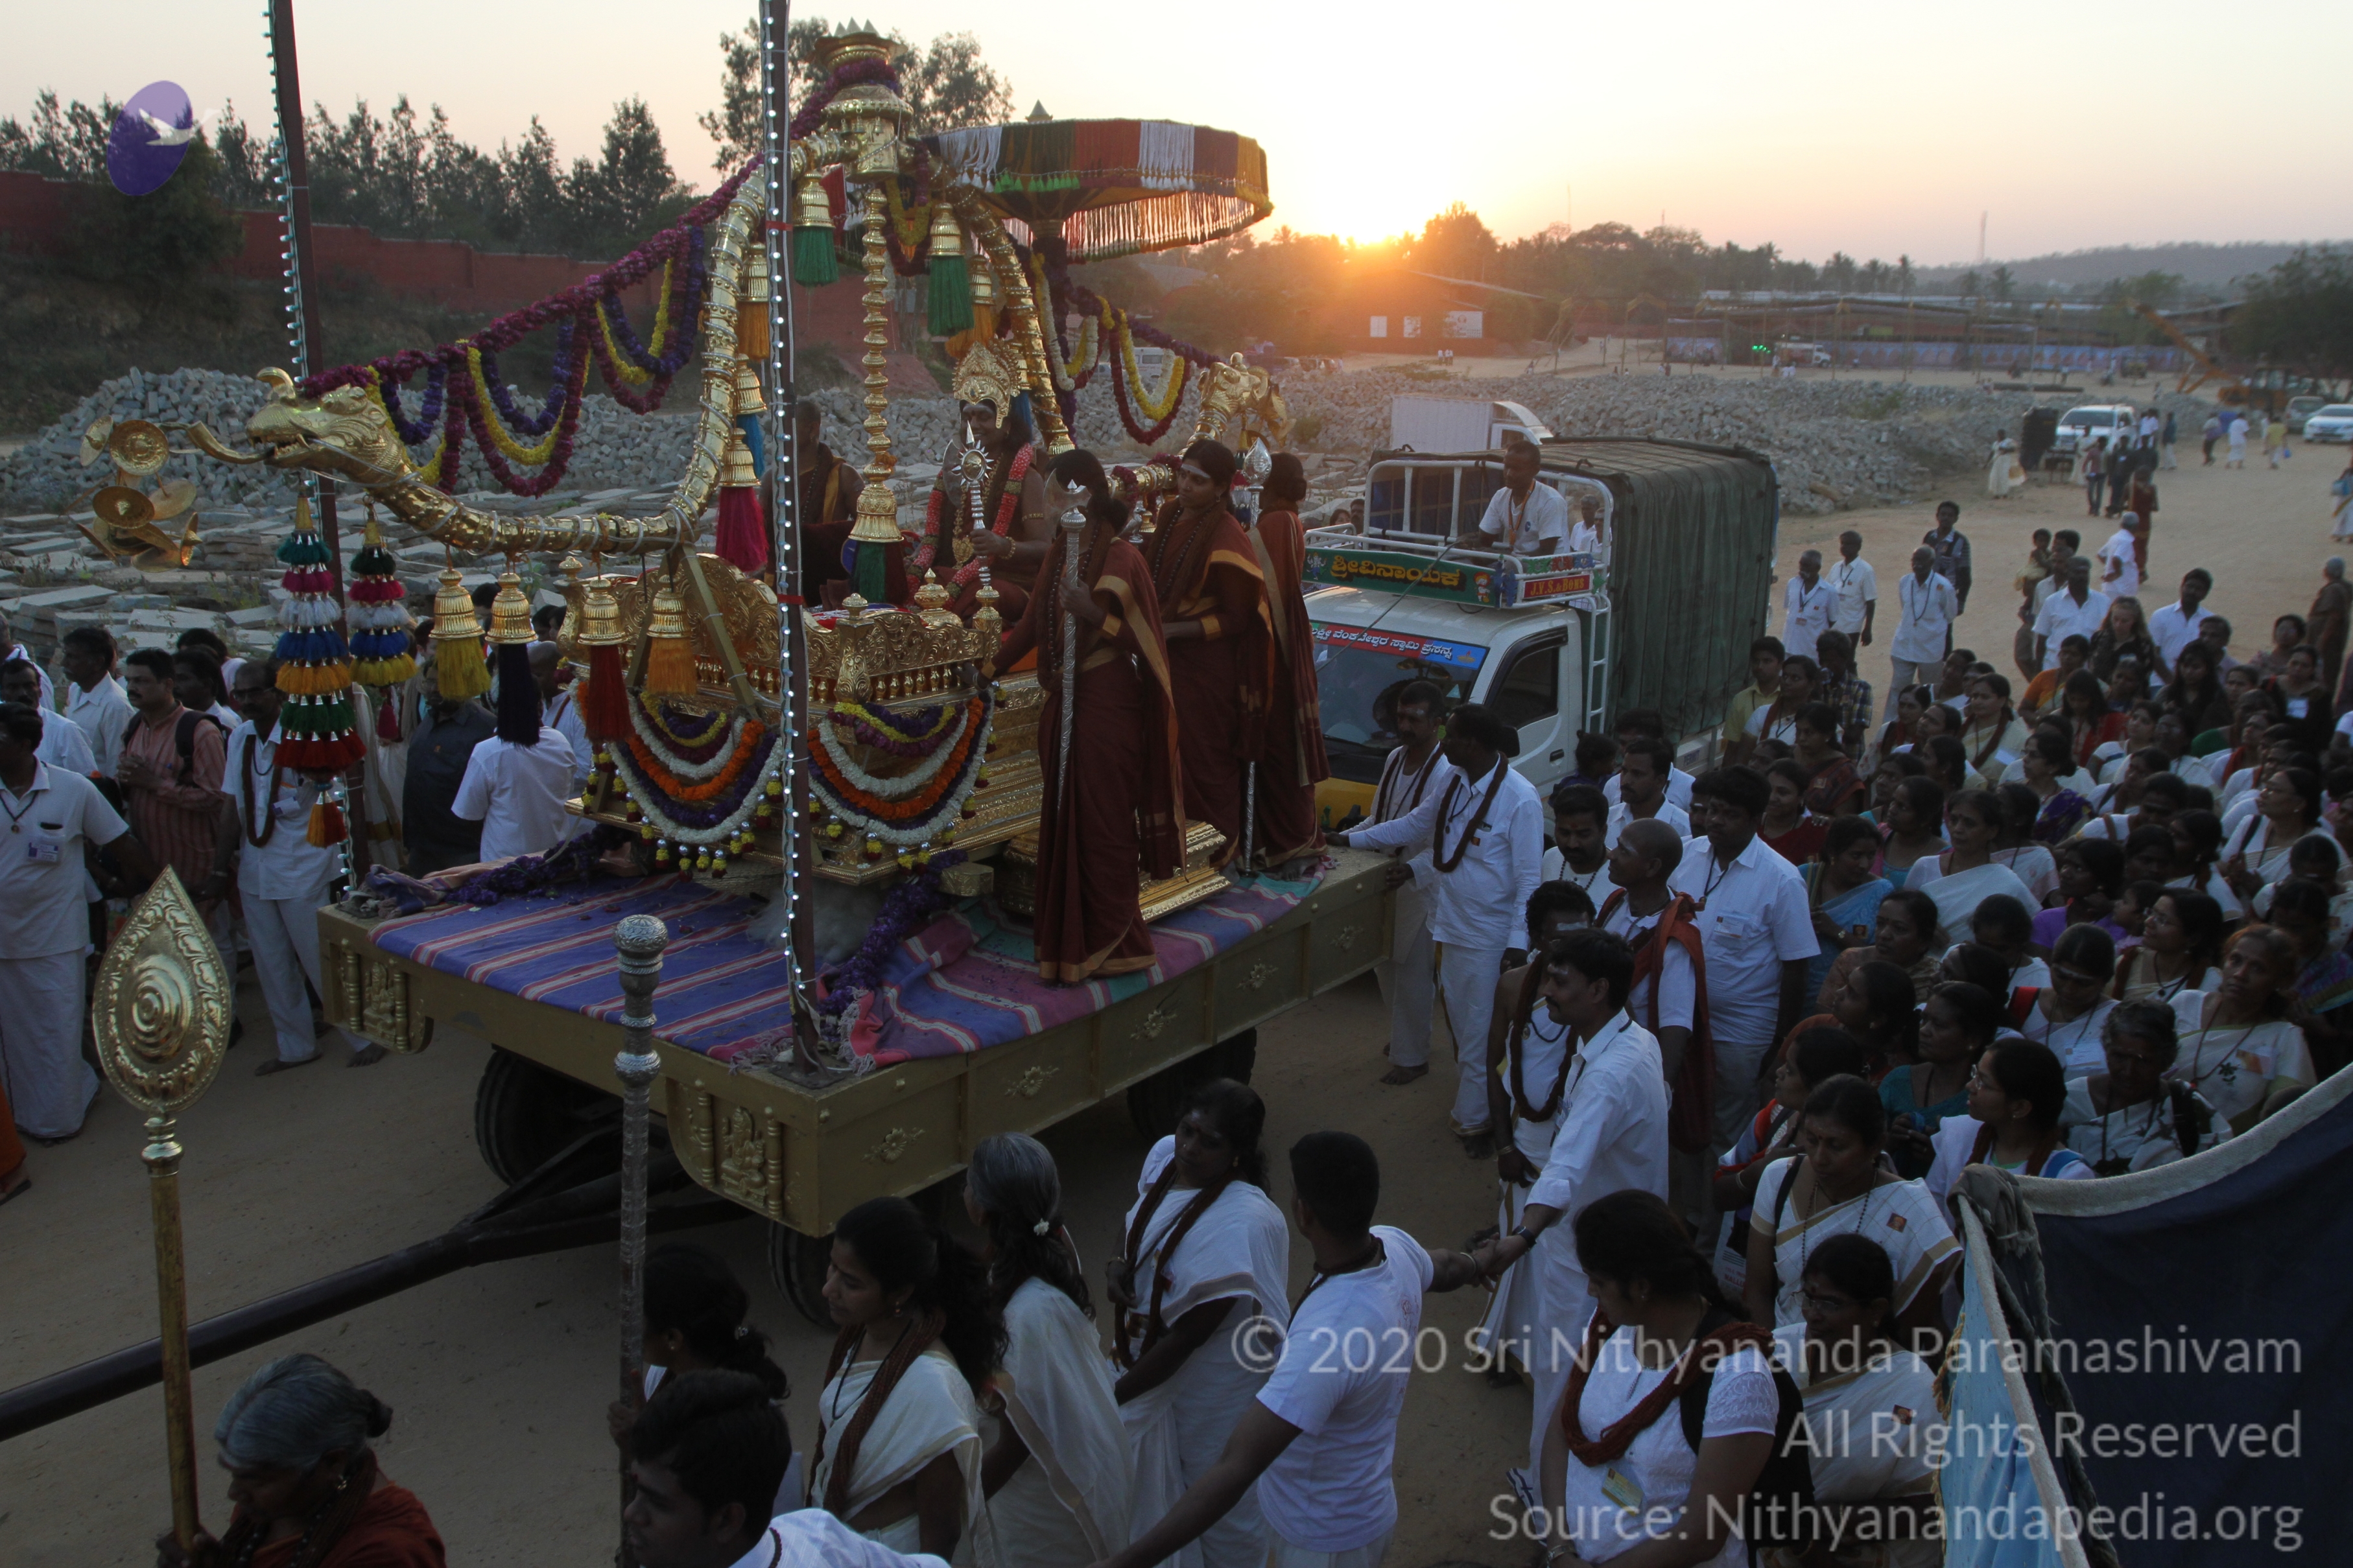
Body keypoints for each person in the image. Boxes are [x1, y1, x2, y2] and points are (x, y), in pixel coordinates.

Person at [1103, 1133, 1480, 1568]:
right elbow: (1447, 1266)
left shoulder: (1326, 1339)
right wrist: (1485, 1260)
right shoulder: (1391, 1247)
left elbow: (1236, 1467)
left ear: (1303, 1212)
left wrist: (1124, 1562)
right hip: (1365, 1514)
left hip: (1320, 1543)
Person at [1471, 930, 1672, 1468]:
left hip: (1589, 1256)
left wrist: (1521, 1237)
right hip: (1613, 1244)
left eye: (1559, 982)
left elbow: (1564, 1169)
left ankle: (1549, 1498)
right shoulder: (1634, 1040)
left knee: (1562, 1377)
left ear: (1598, 990)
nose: (1546, 993)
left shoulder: (1609, 1074)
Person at [997, 452, 1185, 982]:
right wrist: (987, 669)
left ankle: (1117, 942)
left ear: (1083, 496)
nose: (1051, 508)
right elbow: (1032, 623)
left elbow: (1146, 643)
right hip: (1064, 700)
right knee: (1066, 823)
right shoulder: (1062, 551)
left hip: (1107, 705)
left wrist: (1092, 613)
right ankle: (1068, 944)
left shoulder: (1123, 558)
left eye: (1057, 496)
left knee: (1102, 824)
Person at [1533, 1190, 1792, 1568]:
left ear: (1642, 1287)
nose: (1590, 1291)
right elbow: (1562, 1432)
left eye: (1598, 1281)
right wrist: (1560, 1549)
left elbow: (1701, 1535)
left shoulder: (1739, 1380)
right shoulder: (1610, 1326)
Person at [1330, 705, 1544, 1149]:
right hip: (1448, 924)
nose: (1443, 743)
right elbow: (1414, 825)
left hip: (1488, 939)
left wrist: (1517, 944)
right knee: (1462, 1026)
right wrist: (1348, 839)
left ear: (1474, 744)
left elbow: (1529, 881)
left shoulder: (1520, 798)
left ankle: (1478, 1121)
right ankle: (1483, 1109)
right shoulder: (1454, 780)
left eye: (1452, 736)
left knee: (1480, 1031)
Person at [1107, 1082, 1291, 1568]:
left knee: (1219, 1502)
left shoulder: (1242, 1221)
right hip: (1144, 1362)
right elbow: (1137, 1218)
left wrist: (1111, 1399)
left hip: (1212, 1386)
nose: (1190, 1147)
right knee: (1150, 1493)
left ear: (1236, 1153)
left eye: (1210, 1142)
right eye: (1187, 1130)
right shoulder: (1165, 1158)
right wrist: (1117, 1264)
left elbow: (1188, 1337)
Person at [205, 660, 381, 1075]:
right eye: (240, 694)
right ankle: (296, 1046)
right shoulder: (241, 737)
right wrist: (218, 869)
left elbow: (343, 791)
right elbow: (232, 804)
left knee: (319, 957)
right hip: (256, 867)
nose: (247, 701)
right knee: (271, 963)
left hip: (304, 865)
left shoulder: (308, 731)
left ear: (279, 693)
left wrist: (358, 858)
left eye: (255, 692)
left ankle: (365, 1036)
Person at [965, 1134, 1133, 1568]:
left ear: (980, 1208)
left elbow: (1018, 1441)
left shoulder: (1029, 1316)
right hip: (1065, 1467)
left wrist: (958, 1506)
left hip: (1043, 1502)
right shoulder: (1052, 1242)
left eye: (968, 1184)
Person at [810, 1196, 1000, 1557]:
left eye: (851, 1282)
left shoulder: (932, 1388)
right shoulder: (859, 1335)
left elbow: (942, 1534)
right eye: (832, 1268)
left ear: (900, 1293)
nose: (828, 1289)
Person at [0, 703, 154, 1144]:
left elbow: (121, 841)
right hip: (3, 938)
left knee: (56, 1031)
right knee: (14, 1038)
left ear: (25, 745)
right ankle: (23, 1117)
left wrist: (164, 888)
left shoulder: (72, 789)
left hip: (57, 937)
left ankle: (59, 1119)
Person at [1475, 886, 1608, 1380]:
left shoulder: (1600, 994)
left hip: (1575, 1142)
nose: (1571, 950)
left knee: (1562, 1254)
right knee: (1520, 1245)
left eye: (1581, 936)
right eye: (1559, 940)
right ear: (1534, 938)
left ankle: (1560, 1362)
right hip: (1525, 1141)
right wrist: (1504, 1143)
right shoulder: (1513, 986)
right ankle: (1509, 1349)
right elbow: (1493, 1065)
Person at [156, 1353, 442, 1568]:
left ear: (332, 1463)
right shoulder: (273, 1509)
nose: (234, 1493)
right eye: (235, 1474)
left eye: (255, 1479)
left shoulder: (386, 1553)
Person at [1773, 1235, 1946, 1568]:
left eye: (1831, 1303)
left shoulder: (1912, 1388)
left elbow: (1934, 1506)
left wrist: (1833, 1521)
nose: (1813, 1315)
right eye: (1808, 1299)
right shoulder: (1776, 1351)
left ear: (1876, 1311)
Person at [1672, 767, 1819, 1150]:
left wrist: (1780, 1043)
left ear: (1756, 820)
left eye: (1730, 814)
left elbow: (1797, 967)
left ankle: (1718, 1190)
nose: (1716, 821)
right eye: (1713, 810)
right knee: (1677, 1115)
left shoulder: (1782, 879)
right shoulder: (1686, 855)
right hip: (1681, 1017)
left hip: (1740, 1032)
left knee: (1727, 1128)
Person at [1746, 1075, 1959, 1337]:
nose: (1819, 1158)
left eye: (1836, 1146)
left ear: (1876, 1146)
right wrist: (1773, 1352)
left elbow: (1911, 1330)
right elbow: (1757, 1291)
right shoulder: (1779, 1178)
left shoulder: (1912, 1211)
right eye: (1812, 1140)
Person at [609, 1243, 802, 1524]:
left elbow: (697, 1515)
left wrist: (640, 1449)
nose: (627, 1328)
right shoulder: (659, 1377)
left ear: (673, 1339)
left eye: (636, 1320)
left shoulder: (743, 1426)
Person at [1146, 439, 1273, 867]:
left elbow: (1237, 619)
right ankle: (1172, 853)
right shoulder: (1169, 515)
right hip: (1164, 655)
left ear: (1221, 489)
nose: (1185, 485)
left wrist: (1172, 631)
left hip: (1204, 668)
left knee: (1204, 760)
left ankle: (1220, 852)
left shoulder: (1226, 534)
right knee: (1163, 756)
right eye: (1183, 475)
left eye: (1197, 481)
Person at [626, 1372, 884, 1568]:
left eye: (658, 1503)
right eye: (639, 1490)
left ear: (727, 1520)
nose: (631, 1514)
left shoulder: (820, 1536)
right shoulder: (815, 1532)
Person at [1709, 1025, 1869, 1298]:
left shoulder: (1859, 1148)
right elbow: (1720, 1192)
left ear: (1821, 1086)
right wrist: (1757, 1173)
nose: (1779, 1073)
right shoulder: (1774, 1117)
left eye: (1791, 1071)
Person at [117, 646, 233, 997]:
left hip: (195, 863)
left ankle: (223, 1018)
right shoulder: (135, 727)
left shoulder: (199, 732)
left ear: (167, 684)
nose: (132, 688)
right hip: (151, 864)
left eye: (142, 681)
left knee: (208, 950)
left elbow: (217, 797)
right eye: (129, 680)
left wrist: (156, 785)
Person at [1362, 682, 1454, 1086]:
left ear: (1437, 723)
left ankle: (1413, 1058)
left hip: (1423, 885)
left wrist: (1413, 870)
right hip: (1387, 879)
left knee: (1413, 974)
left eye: (1414, 719)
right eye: (1400, 717)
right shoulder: (1395, 758)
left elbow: (1444, 843)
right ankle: (1407, 1038)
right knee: (1385, 966)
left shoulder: (1446, 771)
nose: (1404, 726)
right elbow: (1379, 820)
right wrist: (1344, 839)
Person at [1244, 454, 1329, 872]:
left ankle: (1289, 842)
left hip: (1276, 649)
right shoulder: (1287, 518)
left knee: (1279, 749)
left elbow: (1256, 576)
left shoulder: (1277, 522)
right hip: (1286, 643)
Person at [2166, 926, 2318, 1132]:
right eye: (2236, 961)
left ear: (2281, 980)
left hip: (2229, 1148)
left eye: (2258, 969)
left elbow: (2290, 1116)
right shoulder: (2185, 1004)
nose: (2240, 974)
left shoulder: (2284, 1038)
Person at [923, 393, 1054, 622]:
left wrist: (1002, 545)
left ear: (1007, 425)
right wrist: (919, 555)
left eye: (984, 417)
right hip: (954, 575)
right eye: (967, 417)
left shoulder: (1026, 477)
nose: (973, 425)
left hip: (1007, 581)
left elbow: (1045, 547)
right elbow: (935, 537)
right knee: (917, 579)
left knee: (989, 596)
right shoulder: (953, 473)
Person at [2059, 1000, 2229, 1175]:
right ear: (2106, 1050)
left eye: (2143, 1061)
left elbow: (2223, 1167)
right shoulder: (2069, 1100)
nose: (2128, 1072)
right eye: (2119, 1057)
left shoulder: (2186, 1104)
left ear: (2166, 1061)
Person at [1924, 1038, 2093, 1197]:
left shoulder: (2070, 1176)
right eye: (1975, 1074)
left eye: (1983, 1082)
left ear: (2020, 1108)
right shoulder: (1958, 1134)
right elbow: (1931, 1208)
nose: (1970, 1086)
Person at [449, 674, 579, 863]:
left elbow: (469, 815)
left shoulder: (488, 752)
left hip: (506, 864)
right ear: (540, 705)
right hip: (553, 860)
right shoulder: (560, 742)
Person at [1880, 982, 1998, 1179]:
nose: (1924, 1031)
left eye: (1939, 1025)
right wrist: (1890, 1142)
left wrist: (1942, 1159)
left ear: (1973, 1040)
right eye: (1924, 1020)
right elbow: (1863, 1150)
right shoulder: (1898, 1081)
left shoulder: (1983, 1099)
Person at [1902, 791, 2036, 946]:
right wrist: (1922, 927)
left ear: (1992, 831)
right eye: (1953, 820)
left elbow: (2029, 934)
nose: (1957, 829)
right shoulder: (1925, 867)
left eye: (1969, 824)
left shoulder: (2009, 883)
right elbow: (1901, 916)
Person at [401, 692, 494, 875]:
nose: (432, 689)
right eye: (428, 682)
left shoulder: (485, 727)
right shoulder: (429, 720)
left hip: (462, 852)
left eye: (438, 682)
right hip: (422, 847)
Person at [1801, 818, 1891, 1002]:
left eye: (1871, 856)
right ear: (1833, 852)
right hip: (1794, 987)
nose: (1864, 864)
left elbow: (1880, 957)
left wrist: (1836, 931)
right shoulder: (1803, 877)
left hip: (1846, 996)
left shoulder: (1881, 892)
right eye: (1856, 856)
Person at [2018, 925, 2120, 1072]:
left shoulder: (2116, 1019)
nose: (2069, 989)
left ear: (2105, 981)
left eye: (2083, 983)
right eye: (2061, 976)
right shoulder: (2023, 1003)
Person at [793, 401, 866, 603]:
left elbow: (870, 530)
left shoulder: (843, 475)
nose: (781, 435)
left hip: (829, 579)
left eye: (789, 428)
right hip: (784, 578)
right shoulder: (773, 479)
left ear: (812, 429)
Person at [1886, 549, 1958, 717]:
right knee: (1898, 690)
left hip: (1930, 649)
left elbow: (1950, 614)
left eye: (1922, 560)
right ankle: (1890, 726)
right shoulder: (1905, 581)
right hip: (1904, 645)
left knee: (1930, 692)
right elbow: (1906, 609)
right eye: (1915, 560)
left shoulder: (1943, 586)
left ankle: (1930, 722)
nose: (1917, 564)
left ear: (1932, 562)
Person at [1467, 439, 1570, 556]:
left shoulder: (1551, 501)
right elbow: (1484, 542)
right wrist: (1470, 544)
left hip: (1547, 565)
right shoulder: (1501, 496)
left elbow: (1545, 554)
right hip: (1516, 562)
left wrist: (1501, 557)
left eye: (1517, 469)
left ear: (1535, 471)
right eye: (1507, 467)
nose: (1509, 474)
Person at [60, 624, 133, 777]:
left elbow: (116, 766)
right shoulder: (75, 690)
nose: (64, 663)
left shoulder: (115, 706)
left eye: (73, 657)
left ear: (98, 662)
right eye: (66, 655)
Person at [0, 659, 95, 774]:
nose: (23, 693)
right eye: (13, 688)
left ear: (40, 690)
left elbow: (89, 779)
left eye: (29, 686)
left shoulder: (65, 730)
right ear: (3, 694)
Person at [2032, 556, 2110, 673]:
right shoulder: (2052, 601)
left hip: (2089, 672)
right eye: (2077, 572)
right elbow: (2042, 638)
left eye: (2085, 573)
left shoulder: (2104, 602)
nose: (2082, 577)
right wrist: (2038, 672)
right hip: (2055, 669)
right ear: (2067, 573)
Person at [533, 640, 591, 788]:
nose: (531, 681)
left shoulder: (578, 709)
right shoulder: (535, 703)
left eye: (538, 675)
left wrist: (536, 772)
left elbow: (586, 770)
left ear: (558, 672)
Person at [1543, 784, 1613, 903]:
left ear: (1603, 832)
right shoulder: (1550, 858)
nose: (1572, 844)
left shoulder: (1619, 877)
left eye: (1583, 835)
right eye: (1564, 833)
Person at [1723, 637, 1785, 763]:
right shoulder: (1741, 699)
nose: (1760, 667)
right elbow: (1733, 747)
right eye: (1756, 661)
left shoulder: (1789, 696)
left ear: (1780, 664)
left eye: (1767, 661)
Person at [1812, 632, 1874, 757]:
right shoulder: (1816, 685)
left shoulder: (1860, 689)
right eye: (1822, 661)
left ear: (1845, 658)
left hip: (1848, 758)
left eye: (1831, 661)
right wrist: (1817, 692)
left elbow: (1854, 735)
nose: (1825, 666)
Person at [2148, 567, 2215, 675]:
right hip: (2160, 680)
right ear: (2182, 587)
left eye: (2198, 589)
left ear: (2205, 594)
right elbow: (2153, 653)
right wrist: (2169, 680)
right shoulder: (2160, 616)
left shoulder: (2210, 621)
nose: (2192, 592)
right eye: (2189, 586)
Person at [1780, 548, 1832, 662]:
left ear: (1818, 568)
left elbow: (1832, 621)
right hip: (1789, 648)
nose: (1802, 568)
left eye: (1807, 565)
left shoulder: (1829, 592)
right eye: (1801, 564)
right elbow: (1791, 611)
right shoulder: (1792, 583)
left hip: (1811, 652)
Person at [1827, 530, 1876, 649]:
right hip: (1832, 625)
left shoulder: (1866, 570)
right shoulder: (1836, 568)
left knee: (1847, 658)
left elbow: (1870, 602)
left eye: (1848, 544)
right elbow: (1825, 591)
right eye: (1842, 543)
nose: (1844, 547)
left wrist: (1867, 628)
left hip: (1851, 627)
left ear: (1858, 547)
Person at [1922, 500, 1972, 616]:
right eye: (1943, 514)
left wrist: (1961, 602)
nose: (1946, 518)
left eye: (1950, 515)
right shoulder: (1929, 537)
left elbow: (1966, 576)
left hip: (1947, 594)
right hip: (1927, 591)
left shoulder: (1961, 542)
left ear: (1956, 519)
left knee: (1945, 626)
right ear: (1937, 516)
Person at [174, 648, 239, 732]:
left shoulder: (221, 723)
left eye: (183, 679)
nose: (175, 686)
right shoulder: (177, 718)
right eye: (173, 679)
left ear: (207, 684)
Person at [2314, 559, 2353, 695]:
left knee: (2323, 675)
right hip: (2331, 644)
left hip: (2327, 645)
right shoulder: (2341, 588)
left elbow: (2334, 617)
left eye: (2325, 568)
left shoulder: (2334, 590)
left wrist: (2321, 642)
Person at [2079, 436, 2109, 513]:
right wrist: (2085, 469)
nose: (2104, 444)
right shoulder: (2093, 451)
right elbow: (2087, 461)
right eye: (2102, 442)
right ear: (2099, 443)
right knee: (2090, 491)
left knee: (2099, 492)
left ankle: (2096, 509)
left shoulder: (2107, 452)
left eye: (2105, 443)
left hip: (2102, 473)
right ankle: (2093, 505)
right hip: (2093, 473)